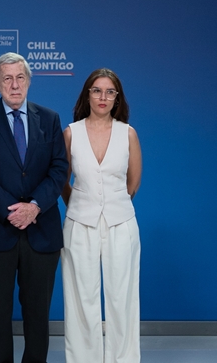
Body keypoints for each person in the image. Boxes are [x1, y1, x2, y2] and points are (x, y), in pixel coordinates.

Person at [0, 52, 68, 363]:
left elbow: (59, 169)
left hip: (41, 231)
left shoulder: (49, 119)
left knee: (38, 314)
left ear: (29, 82)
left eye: (20, 77)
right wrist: (13, 211)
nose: (14, 84)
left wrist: (34, 207)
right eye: (6, 78)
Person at [60, 68, 142, 363]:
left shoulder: (128, 133)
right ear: (87, 94)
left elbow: (132, 183)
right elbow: (62, 180)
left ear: (117, 98)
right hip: (79, 223)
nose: (103, 97)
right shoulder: (71, 132)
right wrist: (82, 204)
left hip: (121, 224)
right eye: (97, 90)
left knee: (123, 298)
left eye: (110, 92)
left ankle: (124, 359)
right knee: (82, 299)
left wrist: (112, 205)